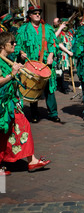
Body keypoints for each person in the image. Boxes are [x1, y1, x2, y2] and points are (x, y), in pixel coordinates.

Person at [0, 32, 51, 174]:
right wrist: (12, 74)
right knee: (3, 133)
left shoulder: (7, 59)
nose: (15, 44)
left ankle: (32, 161)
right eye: (12, 42)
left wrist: (19, 71)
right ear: (3, 45)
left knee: (22, 126)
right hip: (2, 105)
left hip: (11, 102)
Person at [14, 5, 60, 123]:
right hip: (31, 64)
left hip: (45, 64)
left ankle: (53, 113)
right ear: (29, 15)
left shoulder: (48, 28)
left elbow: (53, 44)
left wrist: (51, 54)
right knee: (33, 87)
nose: (38, 15)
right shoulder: (23, 29)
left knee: (49, 89)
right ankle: (34, 113)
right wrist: (21, 52)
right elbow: (17, 46)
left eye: (39, 13)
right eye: (35, 13)